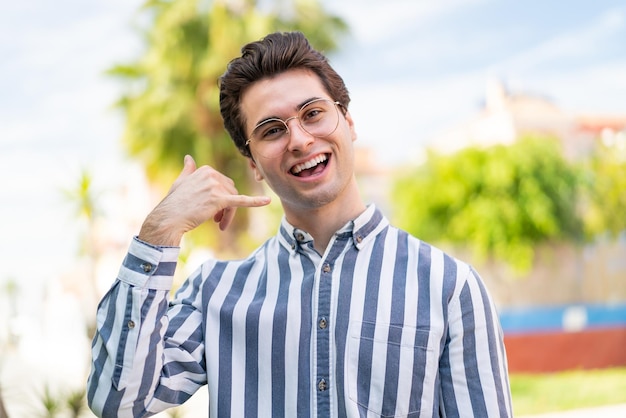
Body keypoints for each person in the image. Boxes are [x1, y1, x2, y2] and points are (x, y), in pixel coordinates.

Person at [87, 31, 512, 417]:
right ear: (252, 163)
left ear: (348, 122)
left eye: (313, 113)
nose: (300, 140)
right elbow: (117, 400)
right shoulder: (214, 293)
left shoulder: (448, 287)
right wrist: (159, 230)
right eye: (272, 130)